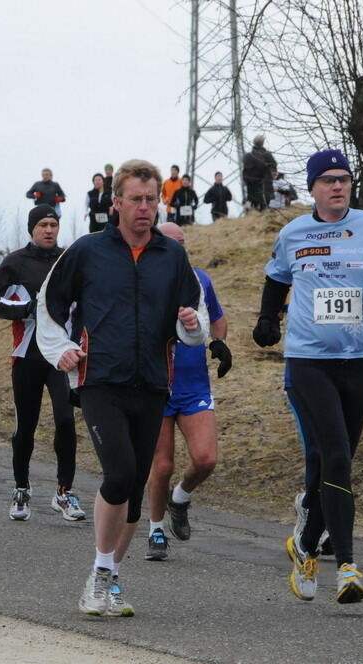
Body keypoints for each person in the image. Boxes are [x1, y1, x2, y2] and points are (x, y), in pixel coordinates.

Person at [36, 159, 207, 617]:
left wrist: (191, 324)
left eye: (152, 199)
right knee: (118, 474)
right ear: (116, 203)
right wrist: (61, 350)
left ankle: (110, 576)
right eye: (136, 199)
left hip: (152, 381)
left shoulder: (171, 256)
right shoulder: (88, 250)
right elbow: (48, 304)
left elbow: (197, 317)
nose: (145, 208)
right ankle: (98, 572)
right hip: (100, 380)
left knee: (134, 487)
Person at [252, 149, 363, 604]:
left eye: (344, 179)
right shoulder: (293, 233)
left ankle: (304, 544)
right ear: (312, 187)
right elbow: (275, 280)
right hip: (308, 360)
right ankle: (347, 565)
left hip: (360, 356)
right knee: (336, 455)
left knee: (335, 462)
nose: (337, 186)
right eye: (327, 180)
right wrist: (268, 320)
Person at [0, 204, 82, 522]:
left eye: (54, 224)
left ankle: (64, 492)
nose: (49, 230)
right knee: (25, 426)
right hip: (27, 353)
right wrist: (24, 310)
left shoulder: (68, 260)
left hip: (60, 355)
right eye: (43, 224)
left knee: (66, 421)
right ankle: (21, 488)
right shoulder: (15, 262)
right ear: (32, 229)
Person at [144, 223, 231, 561]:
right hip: (157, 384)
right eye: (171, 243)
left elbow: (217, 318)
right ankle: (155, 529)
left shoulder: (199, 280)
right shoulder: (145, 280)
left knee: (206, 459)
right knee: (162, 464)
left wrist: (220, 343)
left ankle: (179, 498)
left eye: (182, 243)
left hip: (193, 383)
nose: (178, 249)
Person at [243, 135, 277, 211]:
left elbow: (245, 172)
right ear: (263, 143)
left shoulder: (248, 156)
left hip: (252, 185)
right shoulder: (267, 155)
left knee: (254, 204)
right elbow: (273, 167)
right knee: (266, 204)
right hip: (265, 184)